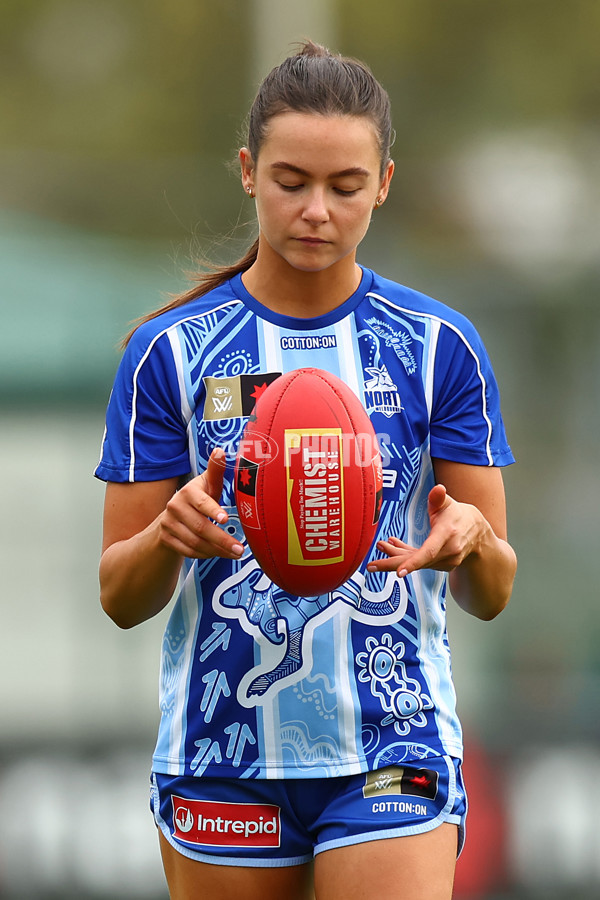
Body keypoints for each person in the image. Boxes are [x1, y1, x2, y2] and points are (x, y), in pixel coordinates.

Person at [96, 41, 516, 900]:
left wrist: (472, 542)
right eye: (291, 182)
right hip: (223, 754)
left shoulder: (439, 347)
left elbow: (495, 591)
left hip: (391, 748)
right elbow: (119, 599)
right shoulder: (166, 354)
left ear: (384, 183)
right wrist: (169, 538)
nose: (316, 210)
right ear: (248, 173)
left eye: (345, 186)